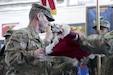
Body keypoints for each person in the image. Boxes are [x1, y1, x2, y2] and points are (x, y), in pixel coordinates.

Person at [5, 4, 55, 75]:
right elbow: (10, 59)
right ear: (39, 16)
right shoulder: (21, 34)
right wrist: (32, 54)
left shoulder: (38, 39)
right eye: (48, 19)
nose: (49, 24)